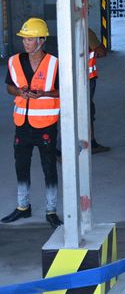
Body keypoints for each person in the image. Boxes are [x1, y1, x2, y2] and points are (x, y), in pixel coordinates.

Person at [1, 18, 63, 228]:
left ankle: (51, 210)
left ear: (41, 40)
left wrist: (44, 93)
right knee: (21, 165)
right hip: (22, 124)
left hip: (46, 124)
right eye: (24, 39)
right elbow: (9, 87)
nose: (25, 43)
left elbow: (63, 90)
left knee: (49, 167)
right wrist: (19, 91)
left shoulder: (54, 63)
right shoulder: (14, 61)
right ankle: (22, 207)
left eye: (30, 39)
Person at [88, 28, 110, 153]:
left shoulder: (63, 28)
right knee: (87, 110)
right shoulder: (85, 31)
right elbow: (102, 52)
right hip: (85, 78)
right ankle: (91, 144)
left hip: (67, 78)